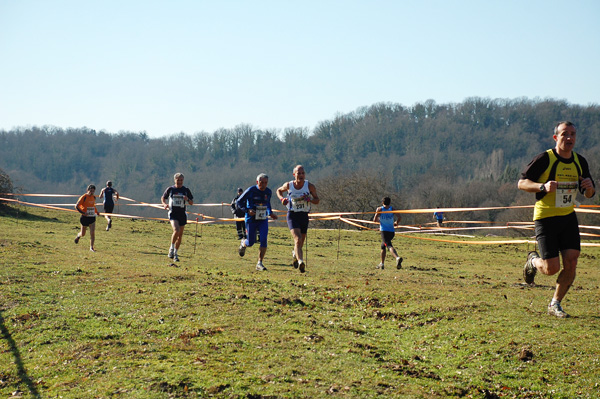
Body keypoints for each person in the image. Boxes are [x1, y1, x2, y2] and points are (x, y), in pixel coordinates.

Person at [518, 121, 595, 318]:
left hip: (568, 217)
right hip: (545, 217)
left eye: (572, 134)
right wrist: (542, 187)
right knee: (551, 269)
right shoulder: (545, 158)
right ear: (556, 138)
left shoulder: (580, 161)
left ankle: (555, 303)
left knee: (571, 262)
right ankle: (533, 261)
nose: (569, 138)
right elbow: (522, 183)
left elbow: (588, 193)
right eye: (564, 134)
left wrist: (589, 187)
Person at [276, 165, 320, 273]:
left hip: (304, 215)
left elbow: (317, 200)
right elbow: (278, 191)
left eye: (302, 173)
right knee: (297, 239)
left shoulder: (309, 186)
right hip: (292, 215)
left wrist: (309, 199)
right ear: (294, 175)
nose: (301, 175)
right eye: (298, 173)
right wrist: (282, 199)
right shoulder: (289, 185)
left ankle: (295, 254)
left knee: (300, 243)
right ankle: (301, 261)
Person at [236, 173, 278, 271]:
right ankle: (243, 243)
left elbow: (267, 204)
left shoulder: (268, 192)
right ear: (257, 182)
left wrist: (270, 213)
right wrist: (247, 210)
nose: (263, 185)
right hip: (251, 220)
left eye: (265, 183)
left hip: (263, 219)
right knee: (251, 242)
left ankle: (259, 263)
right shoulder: (251, 190)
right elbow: (239, 202)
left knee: (263, 239)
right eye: (261, 182)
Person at [161, 173, 194, 262]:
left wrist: (187, 199)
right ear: (174, 180)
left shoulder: (186, 190)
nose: (179, 182)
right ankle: (171, 249)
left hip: (182, 214)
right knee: (176, 230)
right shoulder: (170, 189)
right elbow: (163, 198)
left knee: (180, 236)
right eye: (178, 180)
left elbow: (191, 202)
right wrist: (164, 204)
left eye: (181, 180)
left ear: (183, 180)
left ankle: (176, 254)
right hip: (173, 213)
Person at [373, 197, 403, 270]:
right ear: (390, 202)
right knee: (383, 246)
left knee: (388, 245)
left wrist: (380, 220)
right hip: (391, 231)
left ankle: (397, 258)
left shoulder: (379, 209)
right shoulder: (392, 209)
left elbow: (374, 220)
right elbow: (399, 217)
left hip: (384, 231)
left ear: (382, 202)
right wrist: (396, 223)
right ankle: (382, 264)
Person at [75, 184, 99, 252]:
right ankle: (78, 236)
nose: (91, 192)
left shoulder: (94, 197)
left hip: (92, 217)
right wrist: (83, 213)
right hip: (84, 218)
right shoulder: (84, 197)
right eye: (90, 191)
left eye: (93, 191)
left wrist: (97, 212)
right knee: (83, 234)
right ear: (87, 190)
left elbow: (93, 206)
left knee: (92, 233)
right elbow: (77, 206)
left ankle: (91, 247)